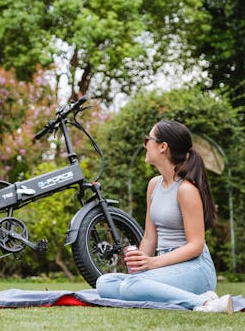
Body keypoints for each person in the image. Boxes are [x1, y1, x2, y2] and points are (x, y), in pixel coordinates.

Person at [96, 120, 233, 313]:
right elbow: (150, 237)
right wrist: (140, 264)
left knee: (130, 286)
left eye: (148, 139)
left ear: (163, 147)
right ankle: (197, 298)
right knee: (105, 282)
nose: (145, 144)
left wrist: (153, 263)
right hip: (163, 267)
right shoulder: (154, 185)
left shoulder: (186, 190)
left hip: (194, 268)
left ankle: (205, 303)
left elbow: (196, 245)